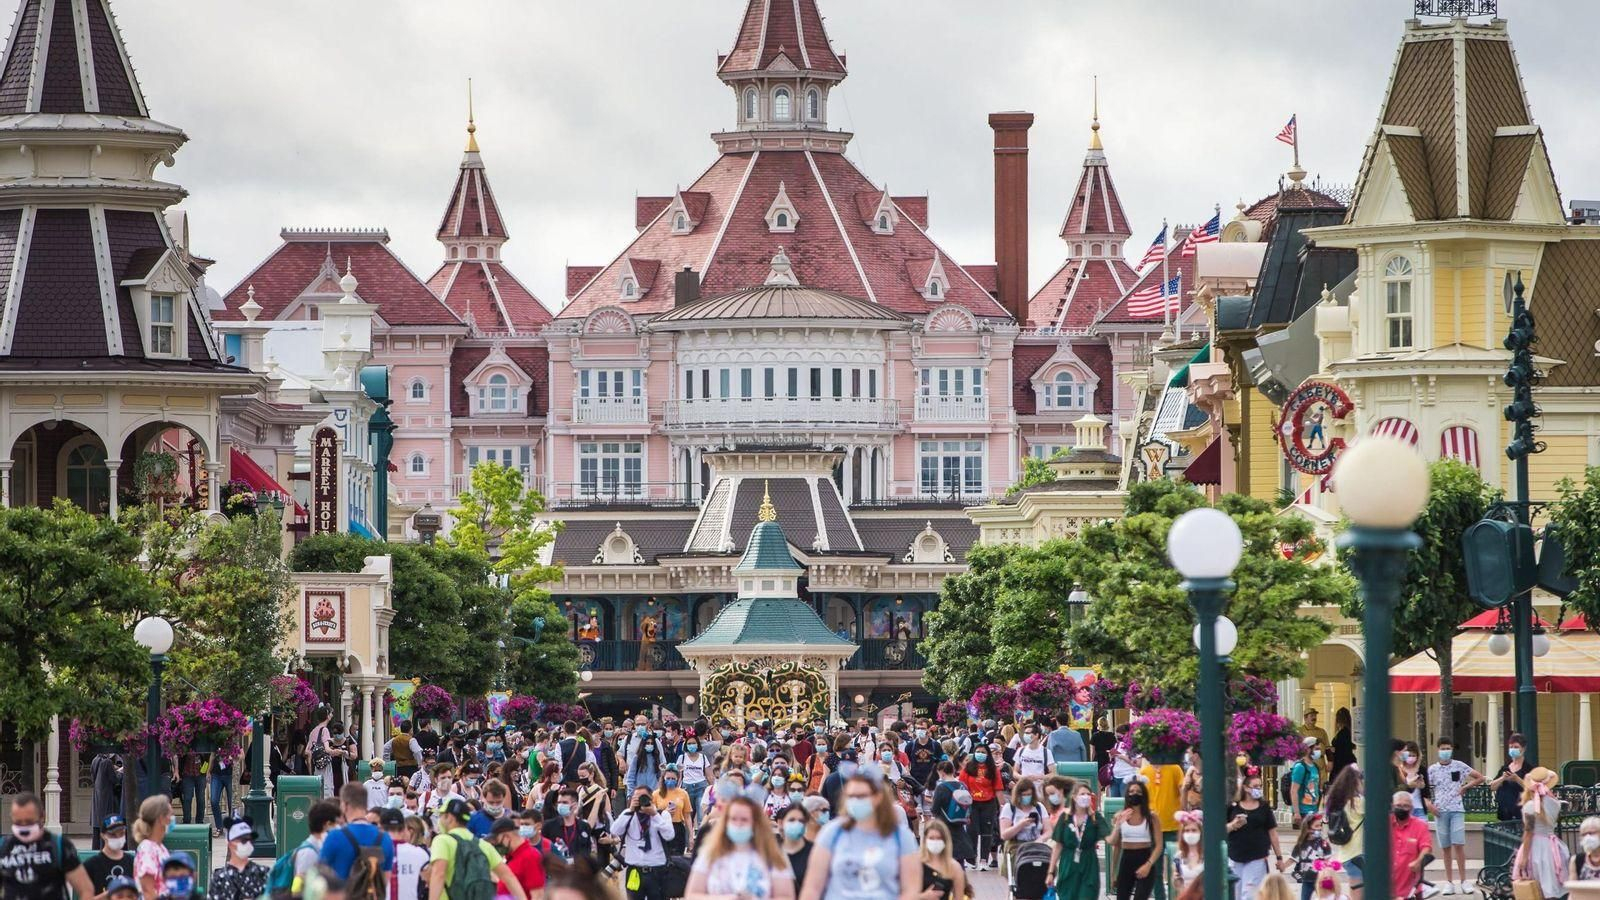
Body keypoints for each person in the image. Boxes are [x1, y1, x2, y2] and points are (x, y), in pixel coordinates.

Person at [798, 774, 921, 900]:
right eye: (851, 797)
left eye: (861, 796)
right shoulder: (832, 832)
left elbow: (911, 888)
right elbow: (812, 887)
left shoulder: (901, 836)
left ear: (878, 797)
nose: (856, 801)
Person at [684, 795, 794, 900]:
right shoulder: (710, 854)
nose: (738, 824)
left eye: (744, 820)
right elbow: (692, 895)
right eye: (734, 819)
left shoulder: (772, 855)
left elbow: (787, 896)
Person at [0, 792, 93, 900]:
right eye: (18, 822)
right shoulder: (3, 847)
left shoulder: (59, 845)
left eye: (29, 821)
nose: (24, 826)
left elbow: (85, 889)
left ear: (42, 816)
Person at [429, 799, 527, 900]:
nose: (439, 820)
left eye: (441, 815)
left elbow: (439, 874)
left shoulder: (442, 841)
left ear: (450, 818)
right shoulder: (482, 844)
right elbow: (508, 876)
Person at [1424, 737, 1482, 894]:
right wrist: (1429, 805)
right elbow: (1423, 788)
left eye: (1448, 748)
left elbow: (1480, 777)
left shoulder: (1459, 766)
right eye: (1442, 748)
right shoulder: (1432, 770)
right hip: (1440, 811)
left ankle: (1464, 881)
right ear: (1437, 750)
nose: (1445, 751)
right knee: (1445, 848)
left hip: (1456, 809)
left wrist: (1465, 787)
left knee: (1458, 845)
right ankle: (1449, 882)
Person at [320, 783, 397, 881]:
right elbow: (386, 879)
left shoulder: (335, 836)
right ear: (365, 805)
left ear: (344, 805)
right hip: (373, 895)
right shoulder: (385, 838)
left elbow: (321, 876)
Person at [1226, 768, 1283, 900]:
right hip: (1235, 855)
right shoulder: (1233, 807)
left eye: (1260, 786)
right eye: (1255, 786)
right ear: (1246, 788)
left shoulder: (1264, 807)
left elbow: (1272, 833)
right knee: (1236, 892)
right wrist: (1233, 825)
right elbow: (1222, 829)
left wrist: (1279, 858)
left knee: (1250, 894)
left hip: (1257, 855)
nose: (1258, 789)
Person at [1514, 767, 1568, 900]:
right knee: (1550, 885)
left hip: (1535, 847)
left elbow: (1528, 833)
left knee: (1535, 887)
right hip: (1551, 845)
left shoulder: (1530, 807)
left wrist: (1524, 858)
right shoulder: (1555, 804)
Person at [610, 788, 673, 900]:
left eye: (643, 797)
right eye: (637, 797)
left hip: (657, 870)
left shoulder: (662, 814)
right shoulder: (628, 814)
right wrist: (630, 810)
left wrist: (654, 815)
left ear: (651, 798)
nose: (640, 800)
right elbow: (614, 831)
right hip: (634, 871)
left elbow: (669, 835)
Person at [1048, 783, 1106, 900]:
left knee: (1087, 895)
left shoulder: (1095, 818)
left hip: (1088, 864)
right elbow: (1058, 845)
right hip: (1068, 864)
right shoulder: (1065, 817)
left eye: (1088, 794)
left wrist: (1119, 826)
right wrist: (1051, 871)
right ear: (1074, 797)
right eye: (1082, 794)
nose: (1085, 797)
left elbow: (1109, 838)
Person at [1109, 780, 1163, 900]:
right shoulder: (1120, 816)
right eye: (1131, 791)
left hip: (1145, 857)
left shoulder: (1152, 817)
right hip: (1126, 860)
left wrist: (1148, 865)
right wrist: (1113, 873)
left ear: (1143, 795)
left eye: (1138, 791)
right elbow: (1116, 847)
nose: (1135, 794)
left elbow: (1159, 845)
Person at [958, 748, 1003, 870]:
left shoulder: (993, 770)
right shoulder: (968, 769)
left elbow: (998, 788)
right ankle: (971, 858)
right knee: (971, 831)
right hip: (972, 804)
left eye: (983, 752)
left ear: (987, 754)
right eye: (978, 752)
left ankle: (984, 859)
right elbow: (962, 787)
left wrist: (1003, 805)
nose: (980, 754)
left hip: (989, 803)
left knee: (987, 832)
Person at [1323, 767, 1364, 900]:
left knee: (1355, 891)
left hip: (1347, 853)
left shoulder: (1338, 801)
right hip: (1358, 853)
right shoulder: (1357, 802)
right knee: (1359, 894)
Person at [490, 817, 547, 900]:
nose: (497, 845)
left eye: (498, 841)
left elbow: (538, 895)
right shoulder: (512, 857)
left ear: (506, 837)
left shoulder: (529, 857)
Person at [208, 819, 267, 900]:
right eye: (243, 840)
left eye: (250, 840)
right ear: (230, 843)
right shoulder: (220, 877)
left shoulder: (262, 873)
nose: (247, 843)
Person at [293, 800, 343, 894]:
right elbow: (300, 888)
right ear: (327, 824)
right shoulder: (308, 852)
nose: (339, 827)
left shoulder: (319, 846)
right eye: (337, 823)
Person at [1389, 790, 1431, 900]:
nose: (1402, 808)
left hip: (1411, 888)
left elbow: (1426, 847)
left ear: (1412, 808)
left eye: (1405, 806)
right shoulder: (1385, 824)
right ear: (1392, 806)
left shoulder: (1420, 826)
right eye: (1398, 805)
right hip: (1387, 886)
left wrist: (1419, 861)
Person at [998, 781, 1044, 877]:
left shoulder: (1039, 807)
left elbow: (1048, 830)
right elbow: (1004, 835)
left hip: (1036, 846)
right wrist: (1021, 824)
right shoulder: (1010, 808)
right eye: (1024, 795)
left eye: (1029, 794)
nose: (1027, 797)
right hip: (1017, 847)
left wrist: (1040, 840)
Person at [132, 795, 174, 900]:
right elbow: (148, 890)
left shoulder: (160, 847)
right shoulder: (147, 849)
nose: (172, 819)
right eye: (170, 815)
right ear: (161, 818)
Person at [381, 809, 429, 900]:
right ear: (404, 828)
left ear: (381, 828)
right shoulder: (420, 854)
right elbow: (429, 882)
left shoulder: (373, 853)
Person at [542, 788, 596, 864]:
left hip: (578, 871)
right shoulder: (549, 826)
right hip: (556, 870)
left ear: (575, 805)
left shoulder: (584, 826)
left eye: (564, 802)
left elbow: (588, 852)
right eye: (559, 802)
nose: (560, 805)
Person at [84, 815, 133, 894]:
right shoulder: (91, 865)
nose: (118, 837)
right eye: (113, 834)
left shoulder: (132, 861)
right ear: (103, 835)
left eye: (121, 833)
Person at [1289, 814, 1333, 900]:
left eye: (1320, 825)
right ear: (1308, 829)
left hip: (1320, 879)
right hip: (1306, 880)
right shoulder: (1301, 844)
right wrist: (1282, 865)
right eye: (1316, 826)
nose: (1320, 828)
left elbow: (1328, 859)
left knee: (1325, 898)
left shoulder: (1323, 843)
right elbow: (1293, 858)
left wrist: (1328, 872)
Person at [918, 821, 966, 900]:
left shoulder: (954, 867)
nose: (935, 841)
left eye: (939, 838)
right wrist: (923, 896)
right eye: (931, 838)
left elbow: (959, 896)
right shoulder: (915, 864)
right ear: (925, 840)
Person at [1489, 733, 1530, 823]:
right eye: (1511, 747)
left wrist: (1517, 779)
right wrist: (1502, 778)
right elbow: (1492, 786)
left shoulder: (1528, 768)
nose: (1513, 749)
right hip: (1504, 812)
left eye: (1516, 747)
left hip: (1521, 812)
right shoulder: (1505, 767)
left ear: (1523, 748)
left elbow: (1531, 788)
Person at [652, 766, 692, 856]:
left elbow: (687, 816)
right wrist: (664, 812)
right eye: (668, 778)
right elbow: (651, 815)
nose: (670, 780)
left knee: (678, 858)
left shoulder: (683, 794)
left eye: (673, 778)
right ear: (664, 778)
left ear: (677, 779)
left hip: (678, 827)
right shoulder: (656, 794)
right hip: (662, 826)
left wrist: (690, 836)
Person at [1289, 738, 1323, 828]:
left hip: (1313, 811)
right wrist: (1296, 813)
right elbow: (1294, 790)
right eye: (1316, 749)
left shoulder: (1315, 767)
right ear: (1308, 749)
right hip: (1302, 813)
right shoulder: (1300, 767)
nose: (1319, 752)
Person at [780, 805, 813, 888]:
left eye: (801, 821)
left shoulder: (814, 851)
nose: (796, 824)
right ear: (781, 823)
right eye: (791, 820)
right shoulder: (773, 851)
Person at [307, 706, 337, 797]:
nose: (331, 715)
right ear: (327, 716)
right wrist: (338, 751)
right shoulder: (325, 730)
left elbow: (307, 751)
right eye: (330, 713)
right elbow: (327, 749)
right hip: (325, 764)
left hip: (316, 765)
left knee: (319, 789)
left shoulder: (313, 731)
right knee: (327, 788)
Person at [1172, 811, 1203, 896]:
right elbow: (1177, 885)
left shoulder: (1207, 855)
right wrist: (1176, 881)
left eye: (1194, 830)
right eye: (1187, 830)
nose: (1190, 833)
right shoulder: (1178, 856)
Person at [208, 751, 236, 839]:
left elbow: (241, 755)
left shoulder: (233, 740)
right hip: (216, 774)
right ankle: (219, 827)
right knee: (214, 801)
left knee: (232, 802)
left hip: (230, 775)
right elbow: (212, 755)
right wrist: (208, 771)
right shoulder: (216, 739)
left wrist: (232, 757)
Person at [1330, 710, 1356, 781]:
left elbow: (1340, 749)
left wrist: (1333, 750)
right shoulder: (1350, 732)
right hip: (1348, 761)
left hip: (1340, 764)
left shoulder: (1342, 733)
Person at [1574, 816, 1600, 882]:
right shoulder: (1576, 860)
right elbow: (1573, 889)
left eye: (1591, 833)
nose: (1587, 837)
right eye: (1583, 834)